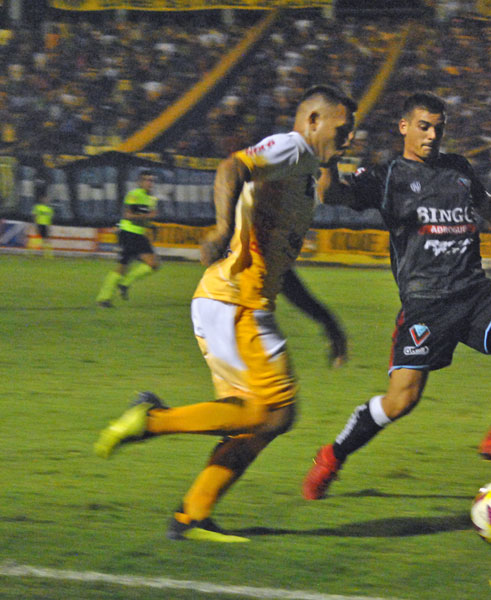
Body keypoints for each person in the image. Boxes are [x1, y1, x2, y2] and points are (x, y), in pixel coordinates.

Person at [93, 85, 357, 542]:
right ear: (313, 121)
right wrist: (221, 227)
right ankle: (151, 419)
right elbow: (231, 166)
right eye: (344, 127)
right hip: (236, 301)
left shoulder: (302, 177)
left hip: (237, 302)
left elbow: (281, 269)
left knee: (250, 422)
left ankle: (192, 516)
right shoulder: (293, 148)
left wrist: (325, 319)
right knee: (275, 413)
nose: (350, 138)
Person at [302, 91, 491, 501]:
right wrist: (328, 162)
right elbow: (332, 196)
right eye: (424, 127)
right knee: (400, 401)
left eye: (438, 128)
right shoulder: (388, 176)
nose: (432, 135)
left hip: (473, 290)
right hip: (426, 304)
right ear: (404, 127)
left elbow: (486, 205)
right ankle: (332, 456)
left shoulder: (457, 168)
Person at [95, 169, 161, 307]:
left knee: (153, 264)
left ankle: (124, 284)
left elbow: (145, 218)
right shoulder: (134, 195)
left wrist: (150, 225)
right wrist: (147, 216)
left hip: (139, 234)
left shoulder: (152, 199)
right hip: (128, 233)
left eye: (152, 180)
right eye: (147, 180)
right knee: (123, 267)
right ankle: (104, 298)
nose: (150, 183)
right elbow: (128, 215)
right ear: (140, 182)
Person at [30, 180, 54, 258]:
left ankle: (47, 254)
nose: (46, 200)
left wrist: (49, 227)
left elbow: (49, 219)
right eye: (45, 199)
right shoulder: (37, 207)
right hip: (39, 224)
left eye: (47, 199)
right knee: (37, 239)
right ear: (41, 199)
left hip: (45, 225)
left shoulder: (49, 209)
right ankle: (32, 252)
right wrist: (35, 224)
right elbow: (34, 215)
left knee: (46, 239)